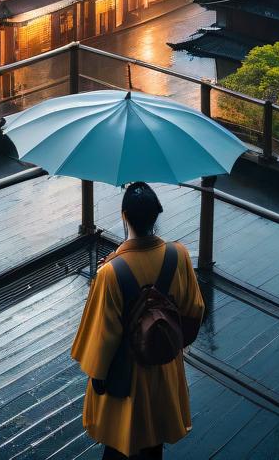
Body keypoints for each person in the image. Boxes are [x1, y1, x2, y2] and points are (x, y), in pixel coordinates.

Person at [71, 182, 205, 459]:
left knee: (120, 442)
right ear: (157, 215)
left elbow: (101, 337)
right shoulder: (177, 255)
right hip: (165, 366)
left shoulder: (111, 272)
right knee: (154, 441)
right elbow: (194, 310)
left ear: (123, 216)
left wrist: (98, 377)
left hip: (127, 375)